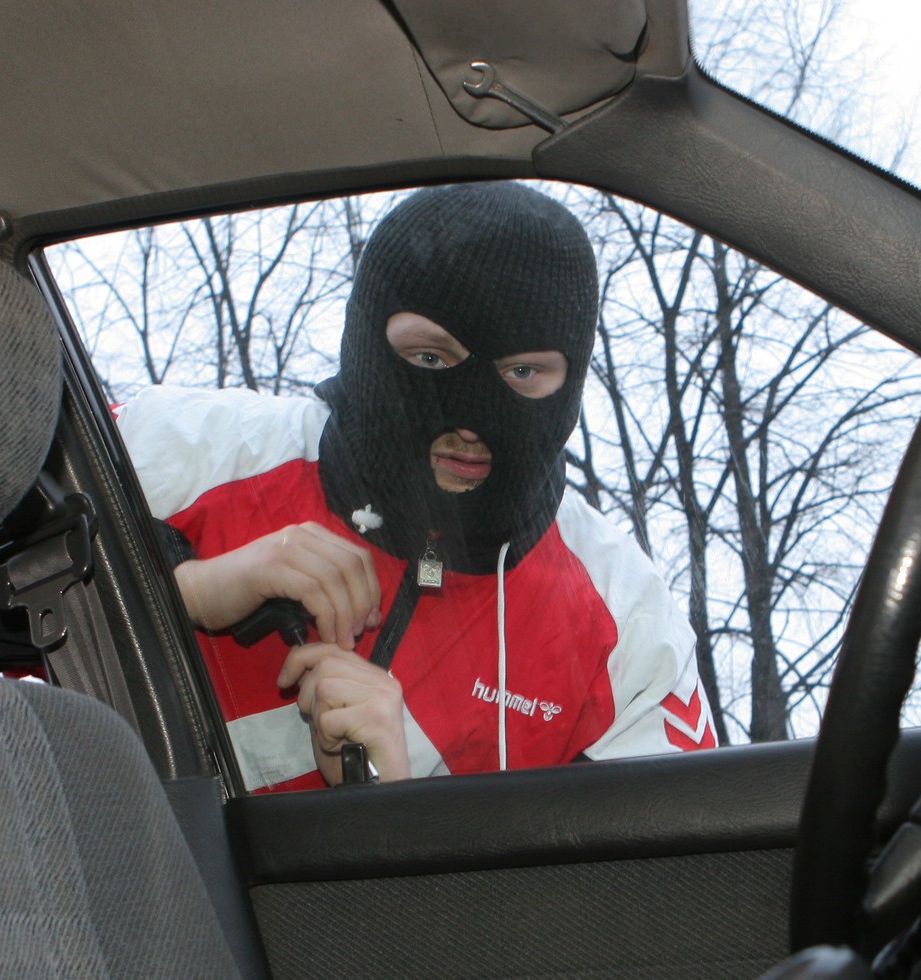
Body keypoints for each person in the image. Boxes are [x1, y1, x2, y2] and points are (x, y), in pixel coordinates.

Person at [117, 182, 717, 792]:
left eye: (522, 371)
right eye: (430, 358)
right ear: (365, 341)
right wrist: (179, 591)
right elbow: (44, 582)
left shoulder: (627, 625)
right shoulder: (179, 449)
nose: (471, 422)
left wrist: (400, 812)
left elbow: (662, 851)